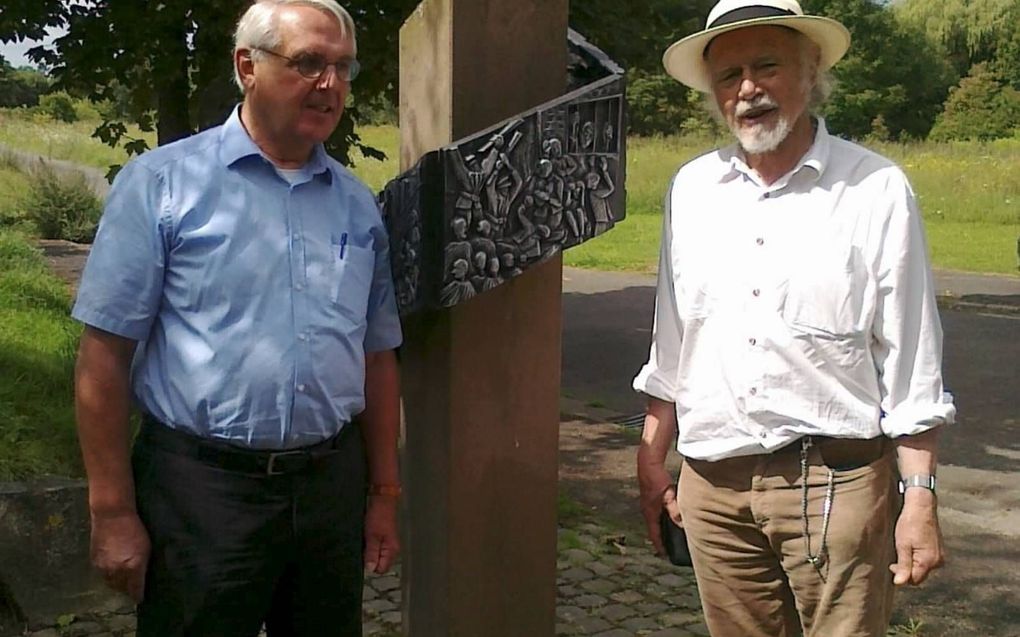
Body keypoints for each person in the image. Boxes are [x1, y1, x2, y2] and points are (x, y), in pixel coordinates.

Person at [71, 1, 402, 634]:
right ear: (247, 66)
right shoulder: (163, 185)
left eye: (342, 67)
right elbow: (103, 357)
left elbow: (377, 355)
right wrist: (111, 510)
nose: (330, 84)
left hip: (329, 487)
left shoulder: (358, 207)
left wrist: (383, 494)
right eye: (308, 62)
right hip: (201, 494)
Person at [633, 1, 956, 636]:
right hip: (713, 487)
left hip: (835, 485)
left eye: (767, 66)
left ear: (810, 72)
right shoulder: (691, 190)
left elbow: (911, 358)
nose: (748, 88)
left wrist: (919, 496)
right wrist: (652, 451)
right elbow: (675, 334)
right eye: (729, 76)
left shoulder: (875, 188)